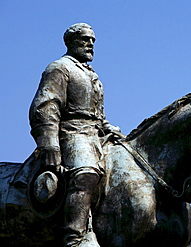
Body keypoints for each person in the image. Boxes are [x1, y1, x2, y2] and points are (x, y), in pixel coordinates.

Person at [29, 23, 119, 247]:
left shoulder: (91, 74)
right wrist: (49, 144)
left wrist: (111, 129)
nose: (90, 44)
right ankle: (75, 237)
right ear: (70, 42)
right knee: (85, 173)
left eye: (92, 41)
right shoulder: (59, 68)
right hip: (72, 133)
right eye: (84, 40)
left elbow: (98, 115)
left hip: (96, 134)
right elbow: (45, 107)